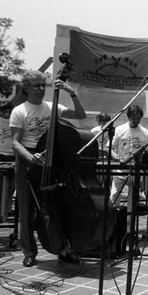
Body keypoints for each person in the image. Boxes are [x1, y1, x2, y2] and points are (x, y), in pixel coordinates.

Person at [10, 70, 86, 267]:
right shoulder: (19, 111)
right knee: (27, 209)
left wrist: (71, 93)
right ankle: (29, 251)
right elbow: (15, 143)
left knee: (55, 207)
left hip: (51, 162)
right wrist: (30, 157)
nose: (42, 89)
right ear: (26, 88)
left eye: (44, 85)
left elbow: (80, 114)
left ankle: (62, 247)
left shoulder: (52, 106)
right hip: (28, 162)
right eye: (37, 85)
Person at [109, 105, 148, 208]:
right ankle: (113, 219)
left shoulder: (145, 132)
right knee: (114, 196)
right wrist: (115, 155)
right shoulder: (119, 129)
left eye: (138, 118)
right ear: (128, 117)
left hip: (136, 169)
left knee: (132, 199)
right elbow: (110, 147)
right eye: (133, 118)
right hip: (120, 169)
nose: (136, 120)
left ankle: (129, 221)